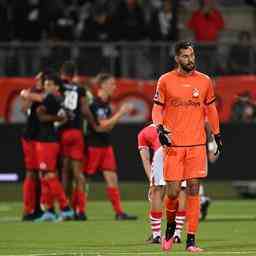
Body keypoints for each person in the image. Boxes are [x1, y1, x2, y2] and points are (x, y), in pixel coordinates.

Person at [152, 40, 222, 252]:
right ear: (177, 58)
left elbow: (211, 110)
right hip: (174, 146)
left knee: (193, 189)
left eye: (192, 55)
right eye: (185, 56)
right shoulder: (165, 80)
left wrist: (217, 135)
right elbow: (156, 109)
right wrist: (160, 128)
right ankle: (171, 225)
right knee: (172, 193)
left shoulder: (205, 81)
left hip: (196, 144)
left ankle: (191, 240)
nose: (190, 59)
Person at [83, 73, 137, 220]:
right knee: (84, 179)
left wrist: (112, 120)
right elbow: (103, 125)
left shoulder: (105, 104)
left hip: (105, 146)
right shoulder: (95, 104)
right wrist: (121, 113)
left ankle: (119, 212)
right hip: (93, 146)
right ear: (103, 86)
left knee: (112, 178)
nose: (114, 86)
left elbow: (107, 126)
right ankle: (78, 210)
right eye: (112, 84)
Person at [59, 61, 99, 221]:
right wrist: (94, 125)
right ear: (74, 73)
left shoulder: (57, 86)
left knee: (65, 173)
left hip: (61, 132)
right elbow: (84, 110)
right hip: (77, 133)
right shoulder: (80, 88)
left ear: (61, 73)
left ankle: (66, 208)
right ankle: (80, 210)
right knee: (78, 173)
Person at [137, 123, 186, 244]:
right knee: (181, 190)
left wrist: (152, 183)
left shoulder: (143, 133)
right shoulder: (177, 123)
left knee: (157, 192)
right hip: (180, 150)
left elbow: (146, 160)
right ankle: (177, 234)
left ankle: (156, 235)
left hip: (161, 152)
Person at [34, 73, 74, 222]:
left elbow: (41, 115)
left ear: (56, 87)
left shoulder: (52, 97)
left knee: (49, 175)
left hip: (47, 141)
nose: (47, 86)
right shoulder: (58, 99)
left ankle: (65, 208)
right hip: (47, 139)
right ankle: (49, 210)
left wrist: (53, 117)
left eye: (50, 84)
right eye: (46, 84)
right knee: (44, 176)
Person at [20, 72, 45, 221]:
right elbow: (24, 108)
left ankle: (39, 208)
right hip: (31, 137)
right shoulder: (34, 92)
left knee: (42, 174)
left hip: (43, 138)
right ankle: (28, 210)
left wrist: (27, 94)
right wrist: (27, 95)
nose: (36, 80)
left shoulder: (47, 94)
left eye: (39, 79)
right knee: (32, 173)